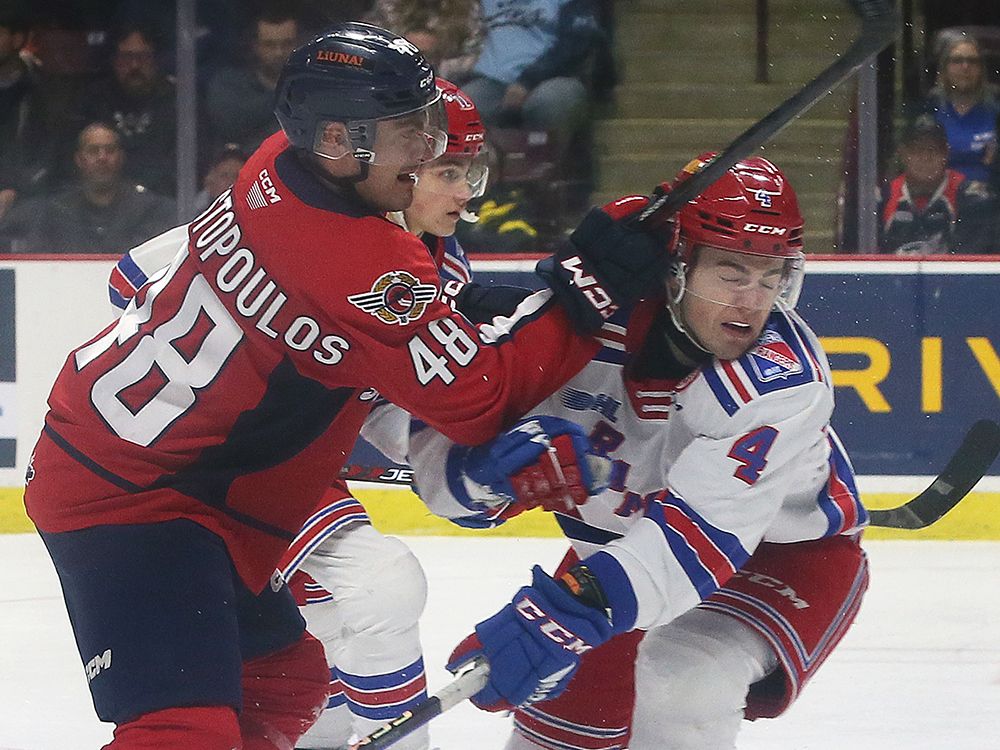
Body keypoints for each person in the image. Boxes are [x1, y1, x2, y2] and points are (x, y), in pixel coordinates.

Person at [23, 23, 669, 749]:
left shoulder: (278, 166)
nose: (426, 150)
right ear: (337, 139)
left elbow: (370, 316)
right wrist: (583, 295)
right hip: (138, 497)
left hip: (169, 477)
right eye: (409, 133)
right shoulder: (370, 266)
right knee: (186, 727)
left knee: (284, 680)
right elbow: (480, 395)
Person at [390, 153, 870, 749]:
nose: (753, 302)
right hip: (624, 552)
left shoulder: (781, 382)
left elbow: (699, 541)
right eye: (730, 271)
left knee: (682, 680)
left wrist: (568, 612)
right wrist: (484, 474)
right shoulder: (571, 329)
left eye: (770, 276)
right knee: (551, 738)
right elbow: (442, 459)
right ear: (676, 267)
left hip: (781, 556)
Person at [106, 76, 492, 750]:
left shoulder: (439, 266)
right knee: (381, 587)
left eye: (471, 172)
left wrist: (437, 448)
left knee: (329, 649)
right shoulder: (300, 220)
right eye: (447, 170)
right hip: (224, 457)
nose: (464, 191)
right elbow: (132, 277)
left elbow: (378, 396)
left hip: (286, 460)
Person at [0, 122, 175, 254]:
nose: (102, 157)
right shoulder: (54, 210)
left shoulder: (149, 208)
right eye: (93, 150)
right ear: (79, 159)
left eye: (110, 150)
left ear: (121, 157)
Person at [460, 0, 604, 151]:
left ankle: (554, 167)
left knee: (550, 102)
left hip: (553, 79)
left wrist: (526, 82)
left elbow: (577, 44)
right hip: (492, 82)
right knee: (462, 106)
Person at [70, 23, 178, 195]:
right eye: (126, 58)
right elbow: (73, 160)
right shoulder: (93, 101)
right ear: (114, 60)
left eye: (143, 57)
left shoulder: (178, 101)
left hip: (164, 203)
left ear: (155, 60)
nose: (134, 66)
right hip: (102, 200)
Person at [880, 115, 997, 254]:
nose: (925, 158)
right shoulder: (884, 197)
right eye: (917, 150)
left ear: (946, 153)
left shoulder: (970, 199)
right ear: (903, 153)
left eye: (933, 150)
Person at [204, 10, 301, 154]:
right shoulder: (229, 83)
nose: (278, 52)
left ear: (300, 44)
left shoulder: (316, 86)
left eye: (286, 44)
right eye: (269, 45)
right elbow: (230, 125)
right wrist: (286, 97)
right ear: (255, 46)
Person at [920, 34, 999, 185]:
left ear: (982, 69)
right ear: (944, 68)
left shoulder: (995, 111)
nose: (965, 67)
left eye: (972, 61)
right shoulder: (929, 111)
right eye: (957, 61)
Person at [0, 9, 53, 221]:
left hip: (27, 199)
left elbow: (49, 156)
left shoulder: (43, 90)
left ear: (17, 39)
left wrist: (14, 190)